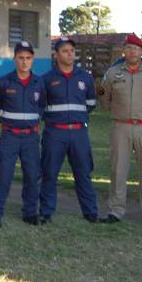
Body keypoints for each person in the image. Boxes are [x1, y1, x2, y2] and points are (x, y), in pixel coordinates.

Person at [98, 35, 142, 227]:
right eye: (129, 48)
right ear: (124, 51)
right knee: (118, 169)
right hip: (121, 127)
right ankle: (115, 210)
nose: (132, 52)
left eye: (136, 49)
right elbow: (104, 98)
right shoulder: (113, 73)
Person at [39, 37, 99, 223]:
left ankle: (90, 212)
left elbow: (90, 103)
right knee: (49, 173)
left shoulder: (85, 77)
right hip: (54, 133)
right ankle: (46, 212)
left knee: (83, 173)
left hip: (79, 133)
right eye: (65, 51)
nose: (70, 54)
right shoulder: (46, 79)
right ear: (56, 55)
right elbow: (41, 106)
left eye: (72, 51)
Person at [0, 41, 46, 227]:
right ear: (14, 59)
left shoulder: (40, 84)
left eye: (28, 58)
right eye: (20, 58)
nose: (24, 62)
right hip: (10, 136)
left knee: (32, 175)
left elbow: (42, 107)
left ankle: (30, 213)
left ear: (33, 60)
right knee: (3, 175)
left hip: (31, 137)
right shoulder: (3, 83)